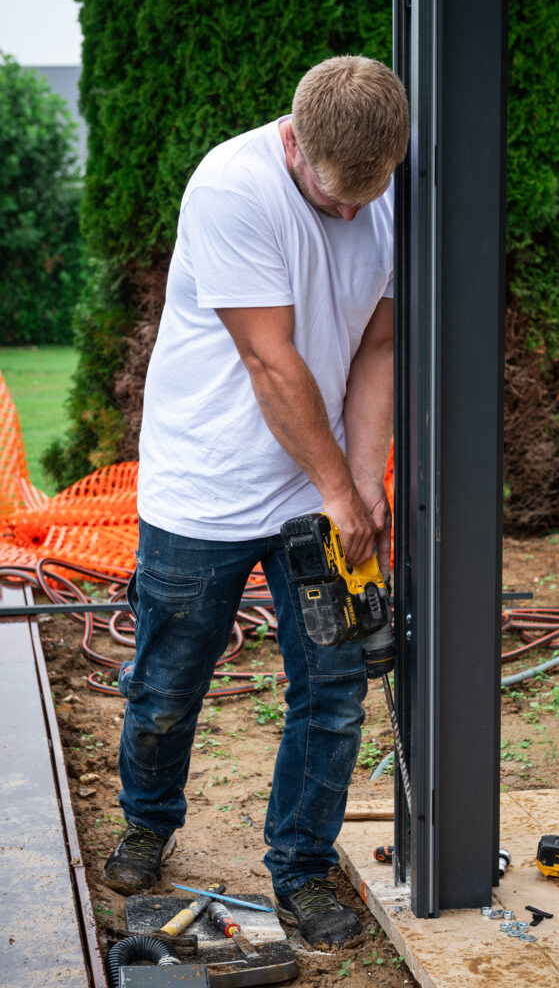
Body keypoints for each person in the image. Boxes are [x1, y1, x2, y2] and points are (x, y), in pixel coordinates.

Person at [104, 55, 409, 948]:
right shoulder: (231, 188)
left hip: (316, 493)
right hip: (203, 486)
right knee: (167, 683)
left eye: (371, 194)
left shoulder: (386, 189)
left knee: (335, 690)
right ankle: (147, 822)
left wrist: (363, 483)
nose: (354, 213)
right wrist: (335, 485)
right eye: (335, 198)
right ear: (294, 144)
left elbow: (377, 348)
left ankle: (303, 869)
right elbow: (270, 361)